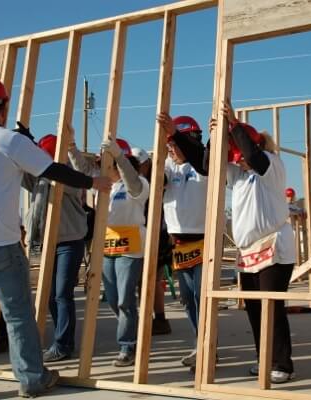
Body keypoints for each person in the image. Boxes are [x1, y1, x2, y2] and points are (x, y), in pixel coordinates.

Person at [0, 76, 112, 400]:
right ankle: (32, 379)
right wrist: (93, 183)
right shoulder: (9, 140)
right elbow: (52, 170)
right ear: (4, 107)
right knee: (17, 311)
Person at [215, 101, 296, 383]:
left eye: (241, 155)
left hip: (274, 247)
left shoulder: (271, 165)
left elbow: (255, 157)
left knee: (271, 307)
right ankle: (264, 359)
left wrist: (234, 124)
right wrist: (218, 134)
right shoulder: (239, 174)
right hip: (249, 252)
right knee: (253, 309)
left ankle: (282, 363)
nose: (239, 161)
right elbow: (211, 164)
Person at [68, 132, 149, 367]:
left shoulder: (138, 183)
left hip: (130, 246)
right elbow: (82, 169)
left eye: (105, 159)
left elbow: (133, 182)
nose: (99, 163)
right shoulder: (103, 183)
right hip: (107, 244)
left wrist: (119, 155)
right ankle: (130, 327)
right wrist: (72, 145)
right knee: (113, 298)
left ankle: (127, 345)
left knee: (125, 298)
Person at [22, 134, 88, 362]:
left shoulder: (67, 177)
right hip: (47, 242)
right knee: (50, 295)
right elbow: (22, 174)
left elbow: (77, 179)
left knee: (62, 294)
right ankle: (61, 340)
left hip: (69, 241)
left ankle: (63, 344)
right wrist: (23, 145)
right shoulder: (39, 177)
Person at [156, 114, 207, 368]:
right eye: (168, 146)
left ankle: (206, 347)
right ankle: (201, 342)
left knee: (202, 295)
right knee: (187, 298)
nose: (171, 150)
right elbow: (159, 180)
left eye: (174, 145)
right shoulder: (169, 164)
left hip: (203, 238)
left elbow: (198, 156)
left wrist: (179, 137)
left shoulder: (203, 165)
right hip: (179, 242)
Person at [131, 146, 172, 336]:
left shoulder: (155, 179)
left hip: (156, 234)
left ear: (147, 164)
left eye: (139, 166)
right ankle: (150, 318)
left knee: (151, 279)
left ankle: (158, 319)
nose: (136, 169)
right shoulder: (134, 181)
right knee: (142, 279)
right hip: (140, 234)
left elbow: (163, 179)